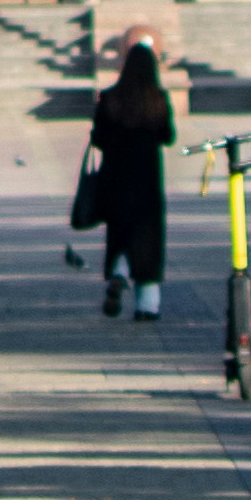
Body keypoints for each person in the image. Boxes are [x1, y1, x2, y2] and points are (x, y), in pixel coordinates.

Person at [83, 38, 176, 323]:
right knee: (148, 238)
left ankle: (119, 273)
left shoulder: (110, 97)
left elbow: (98, 138)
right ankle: (148, 305)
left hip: (116, 177)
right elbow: (168, 136)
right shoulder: (157, 98)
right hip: (146, 179)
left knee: (120, 232)